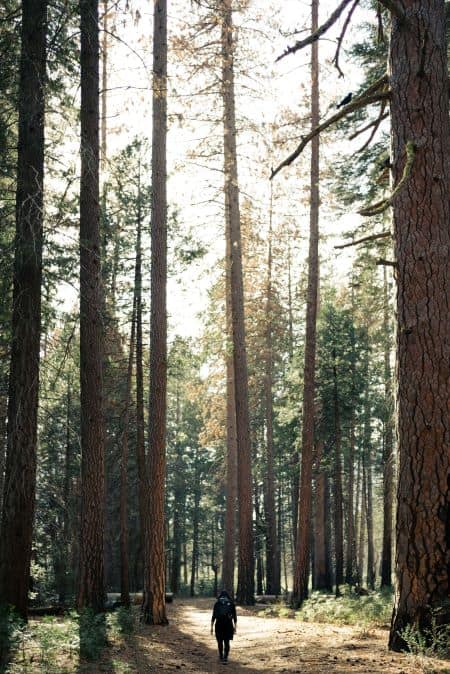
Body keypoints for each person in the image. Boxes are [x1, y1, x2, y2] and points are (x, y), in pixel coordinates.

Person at [210, 590, 237, 664]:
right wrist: (235, 627)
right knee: (227, 642)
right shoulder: (231, 604)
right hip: (228, 625)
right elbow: (234, 617)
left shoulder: (217, 604)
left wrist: (211, 627)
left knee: (220, 642)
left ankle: (221, 656)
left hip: (219, 625)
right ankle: (225, 657)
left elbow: (213, 616)